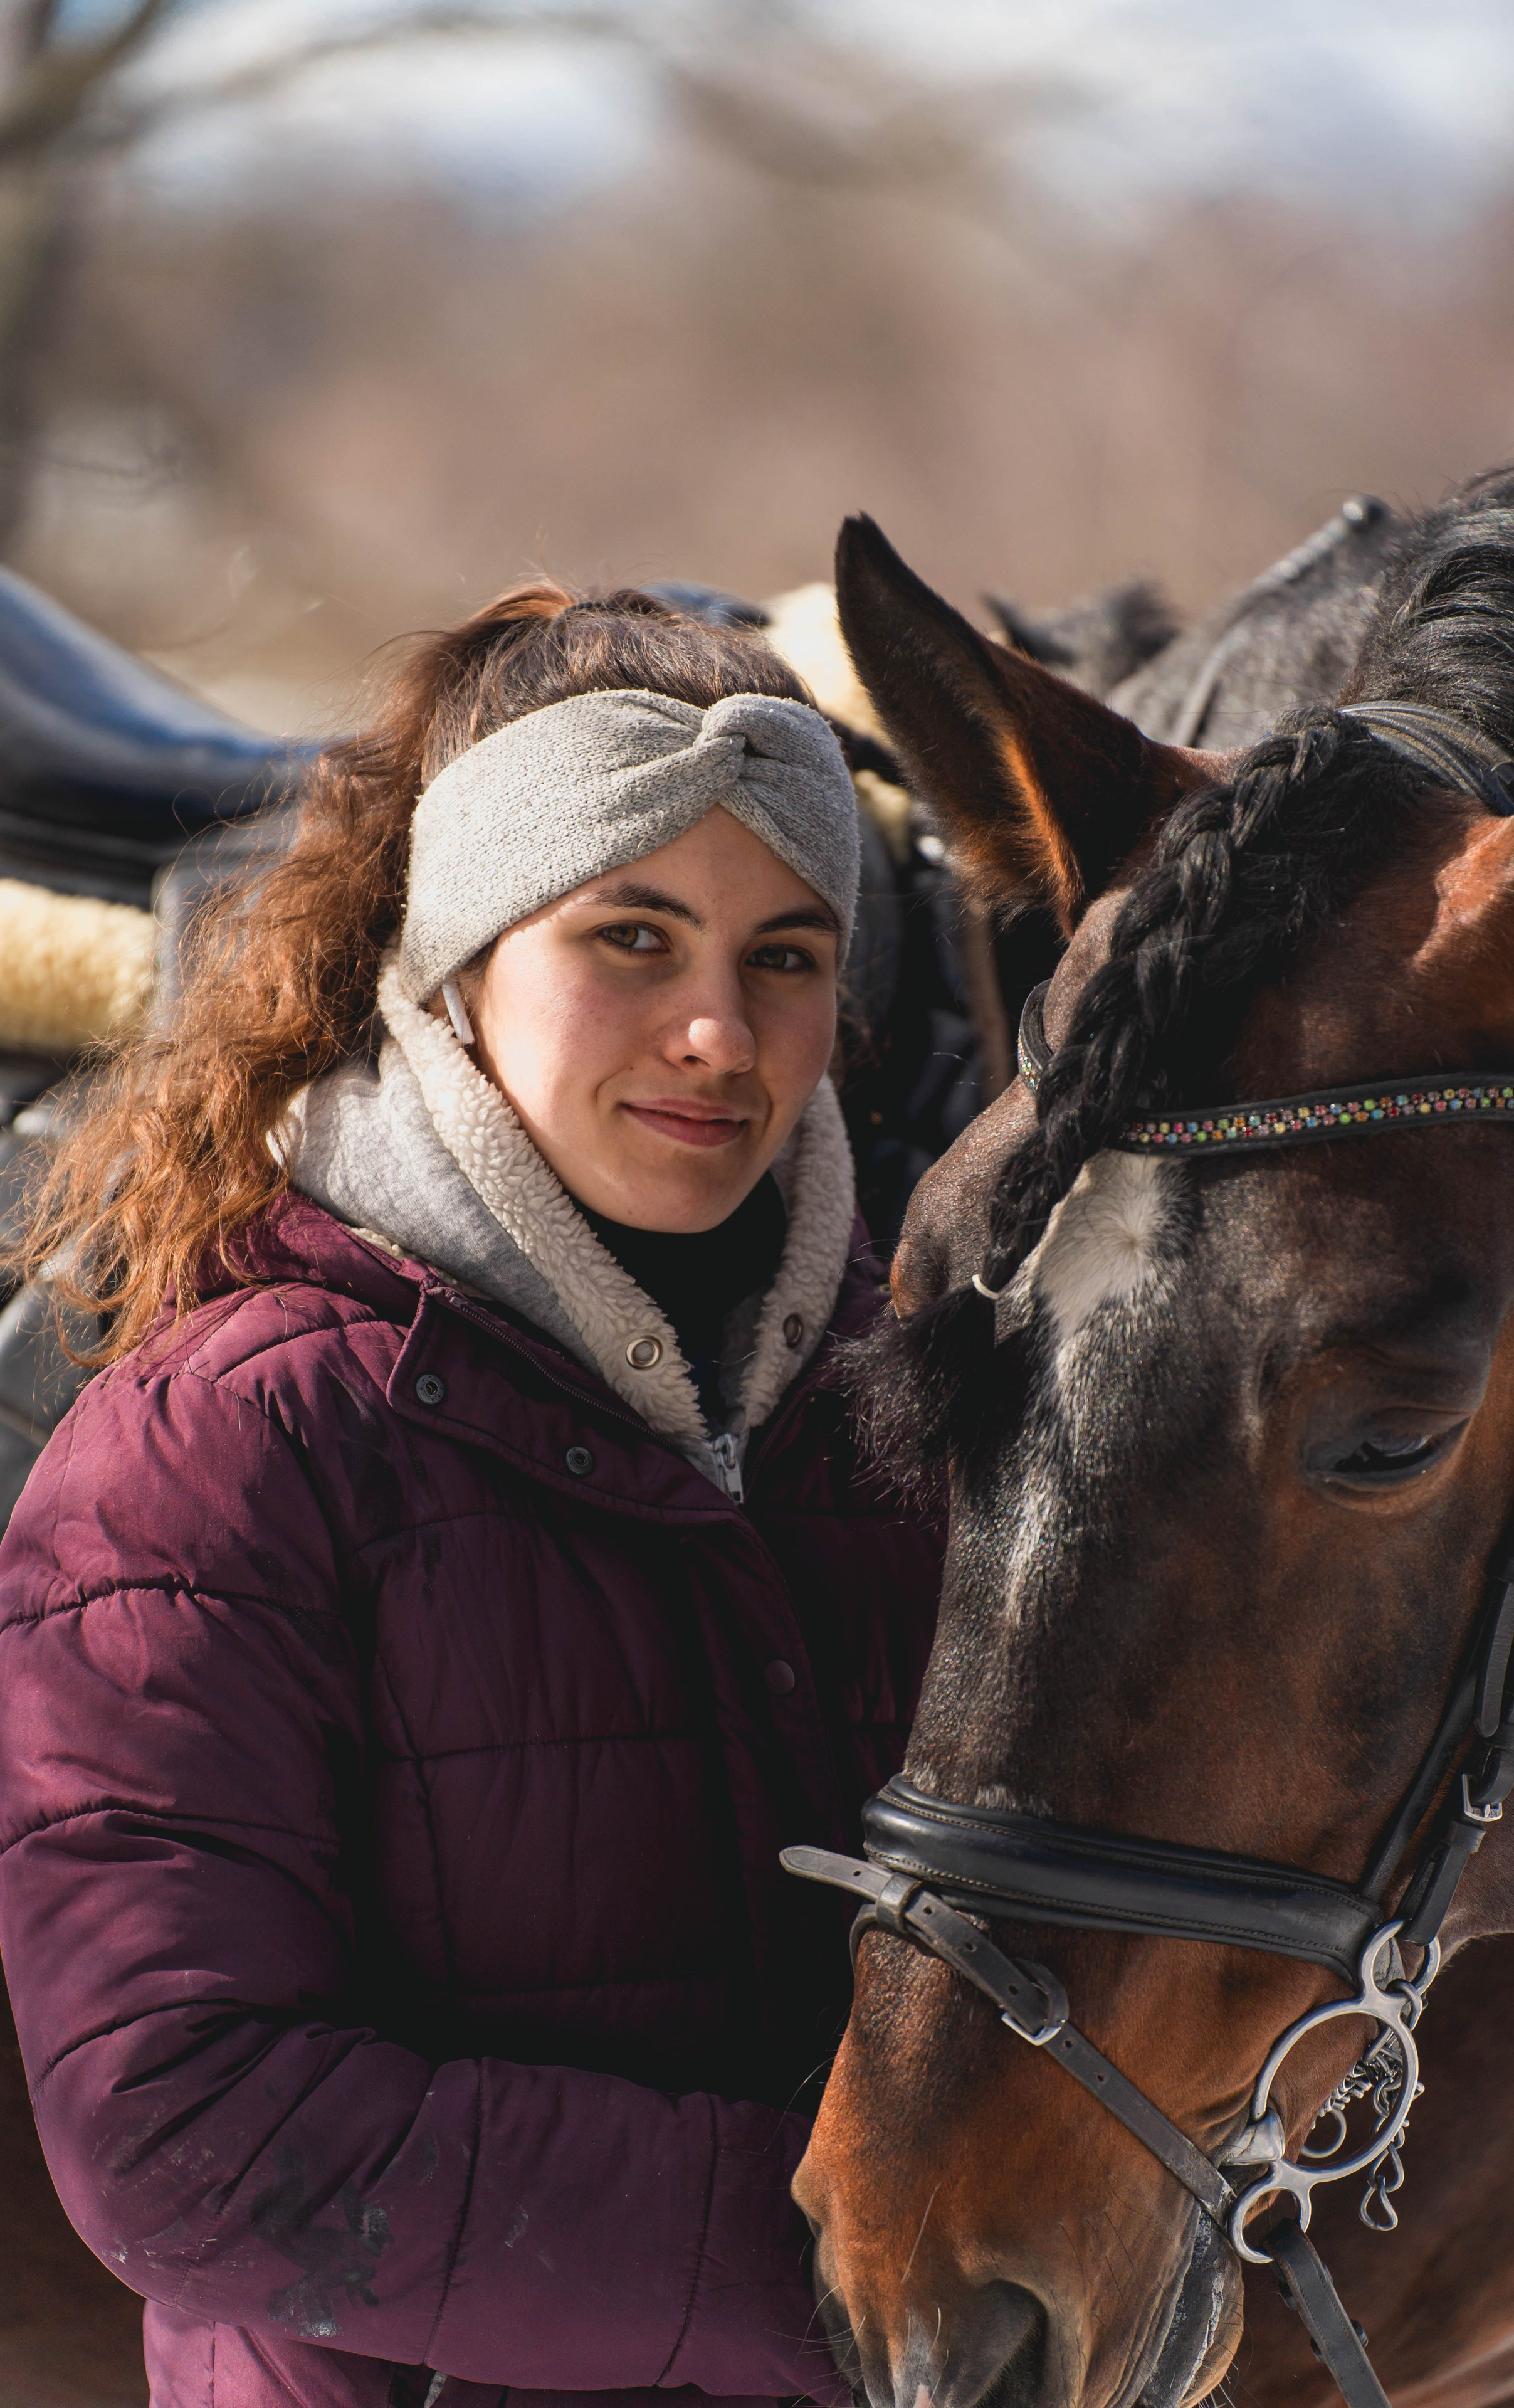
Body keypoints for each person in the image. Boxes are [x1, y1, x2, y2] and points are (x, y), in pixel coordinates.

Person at [0, 583, 943, 2408]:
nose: (718, 1036)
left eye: (786, 955)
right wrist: (882, 2264)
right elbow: (184, 2131)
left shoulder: (916, 1418)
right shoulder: (219, 1453)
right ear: (457, 962)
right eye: (634, 936)